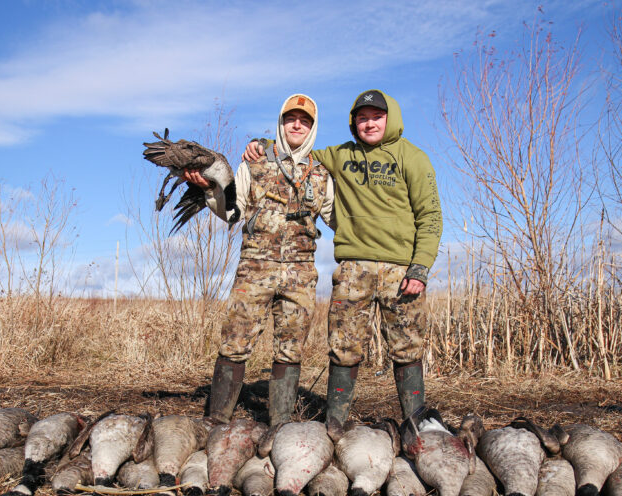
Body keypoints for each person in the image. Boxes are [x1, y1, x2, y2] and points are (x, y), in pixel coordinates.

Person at [244, 89, 442, 424]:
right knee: (344, 346)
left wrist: (420, 268)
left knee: (407, 347)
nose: (369, 124)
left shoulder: (414, 158)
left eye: (376, 117)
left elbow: (431, 216)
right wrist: (263, 143)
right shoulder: (339, 155)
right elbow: (299, 149)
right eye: (362, 118)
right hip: (353, 269)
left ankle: (416, 423)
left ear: (389, 118)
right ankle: (335, 424)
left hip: (400, 271)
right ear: (354, 123)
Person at [184, 93, 334, 426]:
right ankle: (217, 419)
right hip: (254, 270)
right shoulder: (254, 160)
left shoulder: (322, 174)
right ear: (281, 123)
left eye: (305, 121)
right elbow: (232, 211)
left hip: (300, 275)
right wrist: (209, 190)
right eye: (291, 119)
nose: (297, 125)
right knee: (235, 342)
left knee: (291, 348)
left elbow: (337, 218)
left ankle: (279, 424)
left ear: (312, 127)